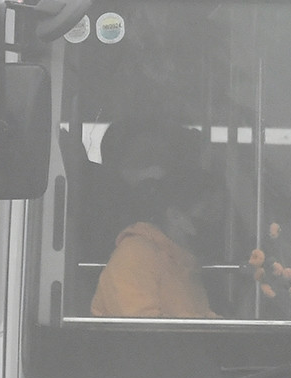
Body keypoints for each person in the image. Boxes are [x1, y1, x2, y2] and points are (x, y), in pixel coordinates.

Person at [89, 120, 220, 319]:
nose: (216, 221)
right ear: (175, 215)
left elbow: (201, 321)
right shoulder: (134, 257)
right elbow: (141, 336)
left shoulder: (184, 263)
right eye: (207, 211)